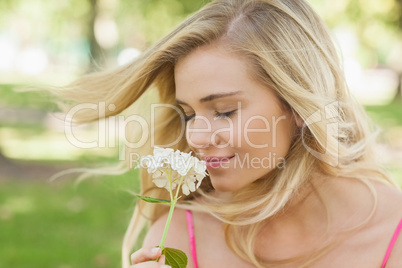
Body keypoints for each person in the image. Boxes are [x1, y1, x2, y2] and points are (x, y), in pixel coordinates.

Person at [58, 0, 402, 267]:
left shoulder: (391, 231)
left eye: (224, 111)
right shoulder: (180, 236)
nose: (196, 137)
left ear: (299, 105)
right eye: (189, 113)